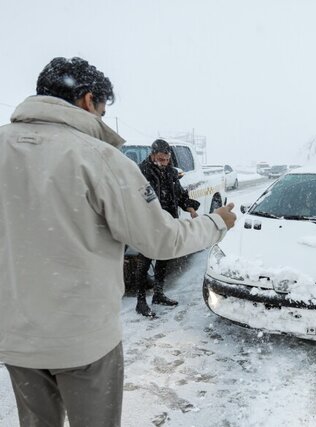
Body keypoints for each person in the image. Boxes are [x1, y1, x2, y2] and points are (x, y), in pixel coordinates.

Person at [0, 57, 237, 427]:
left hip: (15, 337)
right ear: (87, 99)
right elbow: (161, 239)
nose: (102, 120)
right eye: (102, 110)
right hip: (83, 339)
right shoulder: (100, 159)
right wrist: (215, 223)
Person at [131, 138, 200, 317]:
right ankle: (140, 302)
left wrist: (190, 207)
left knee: (164, 257)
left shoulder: (170, 171)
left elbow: (178, 192)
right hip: (148, 223)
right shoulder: (141, 172)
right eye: (160, 159)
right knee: (145, 261)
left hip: (168, 221)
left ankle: (158, 294)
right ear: (152, 155)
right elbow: (137, 198)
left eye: (166, 160)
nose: (163, 163)